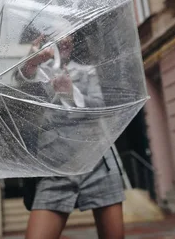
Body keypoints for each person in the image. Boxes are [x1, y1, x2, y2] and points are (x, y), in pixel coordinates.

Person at [15, 34, 126, 239]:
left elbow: (99, 107)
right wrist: (31, 62)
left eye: (69, 34)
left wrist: (72, 93)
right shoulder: (38, 72)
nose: (65, 39)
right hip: (56, 165)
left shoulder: (86, 71)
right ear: (46, 38)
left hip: (97, 161)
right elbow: (21, 85)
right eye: (58, 35)